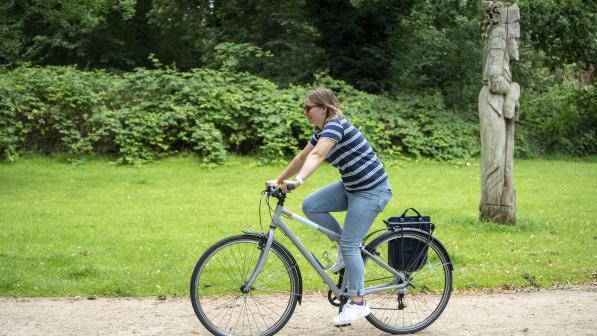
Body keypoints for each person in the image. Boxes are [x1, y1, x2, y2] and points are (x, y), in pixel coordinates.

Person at [267, 88, 393, 325]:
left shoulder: (335, 125)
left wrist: (299, 180)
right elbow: (302, 157)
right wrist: (279, 179)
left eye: (309, 108)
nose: (305, 113)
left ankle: (358, 303)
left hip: (371, 191)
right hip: (351, 187)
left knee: (350, 244)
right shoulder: (323, 131)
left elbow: (317, 155)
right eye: (304, 109)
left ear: (324, 108)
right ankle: (345, 253)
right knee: (311, 205)